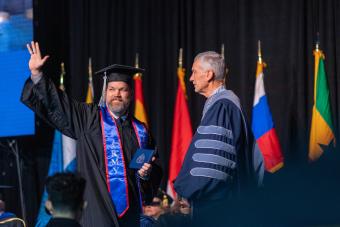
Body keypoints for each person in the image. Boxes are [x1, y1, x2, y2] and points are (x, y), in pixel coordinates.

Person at [21, 42, 162, 227]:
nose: (116, 94)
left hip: (131, 214)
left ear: (130, 93)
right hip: (97, 209)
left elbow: (153, 170)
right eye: (111, 89)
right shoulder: (88, 117)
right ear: (105, 91)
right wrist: (37, 74)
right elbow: (59, 104)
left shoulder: (141, 131)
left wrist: (146, 175)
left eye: (122, 89)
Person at [174, 51, 259, 226]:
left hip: (218, 206)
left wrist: (190, 189)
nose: (191, 78)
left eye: (194, 72)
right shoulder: (224, 104)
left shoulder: (222, 106)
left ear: (209, 74)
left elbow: (211, 164)